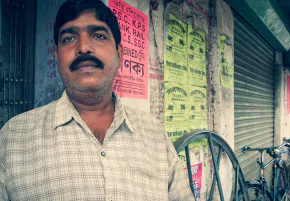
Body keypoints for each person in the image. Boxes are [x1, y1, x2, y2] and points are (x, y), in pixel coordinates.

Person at [0, 0, 194, 200]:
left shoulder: (154, 135)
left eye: (99, 36)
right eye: (69, 38)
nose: (83, 47)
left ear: (119, 54)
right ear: (57, 56)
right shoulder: (13, 138)